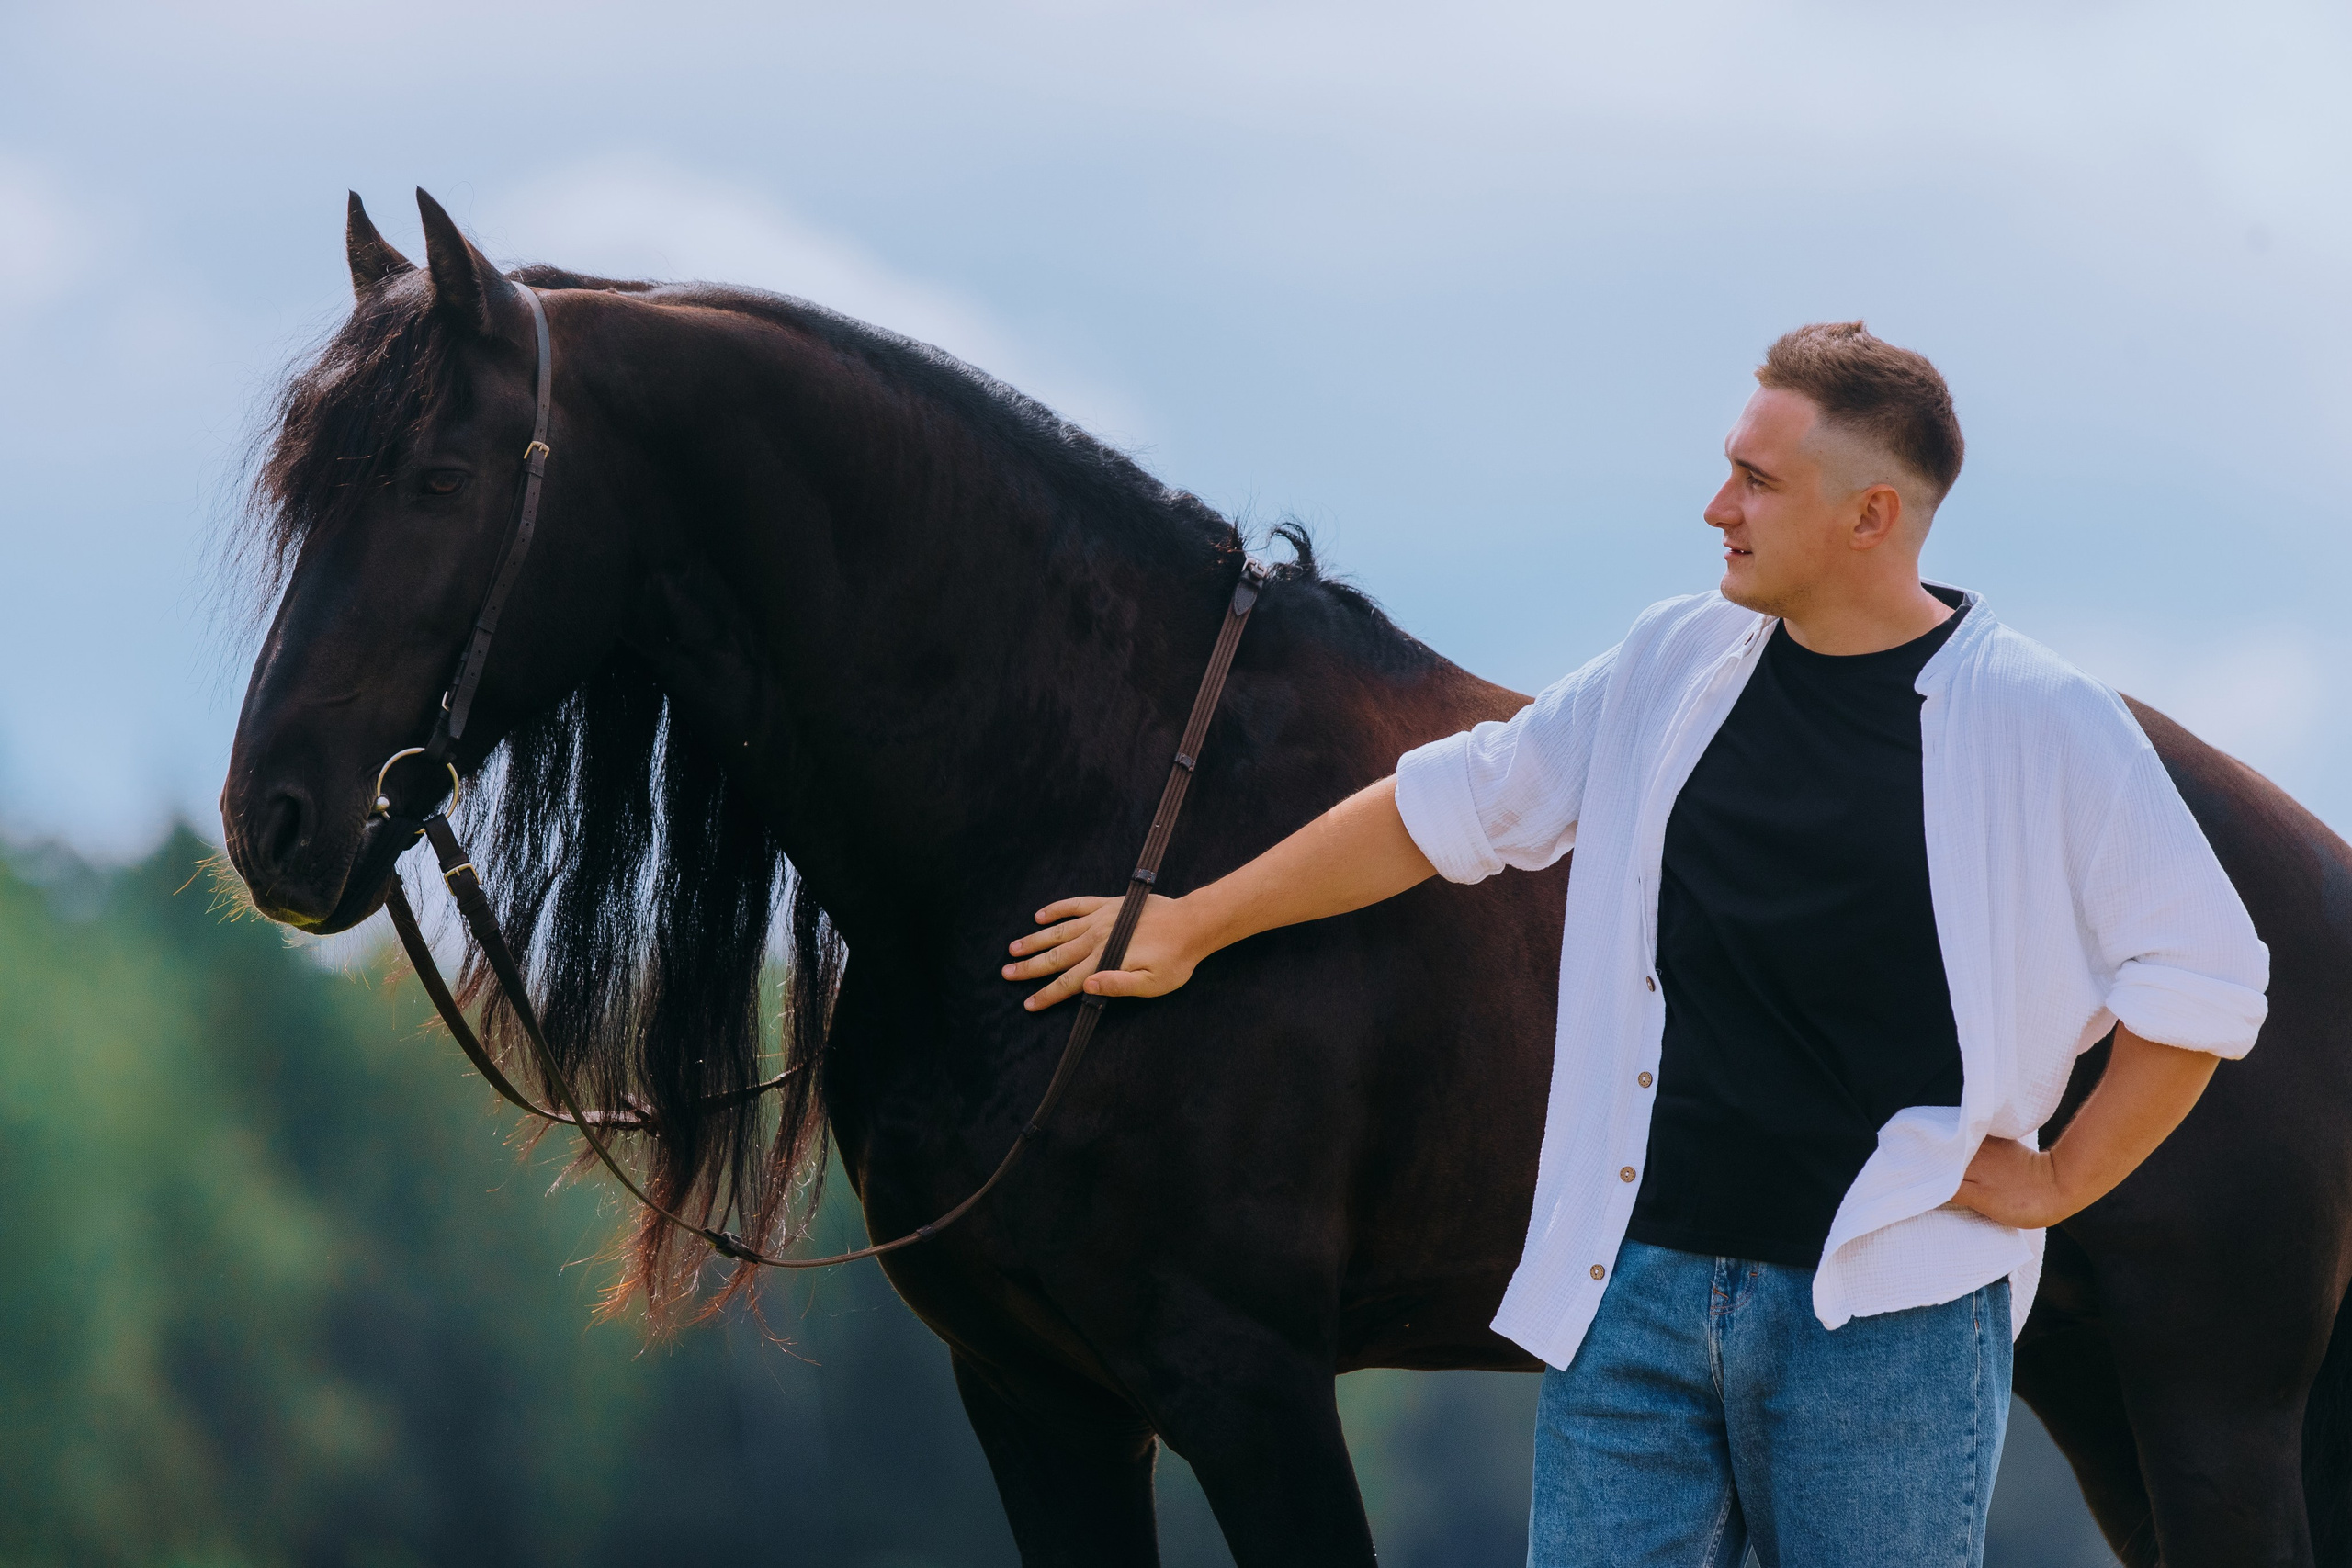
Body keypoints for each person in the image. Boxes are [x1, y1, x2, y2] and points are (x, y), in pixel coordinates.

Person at [1000, 321, 2269, 1566]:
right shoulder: (1677, 660)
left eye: (1758, 481)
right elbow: (1448, 805)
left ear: (1871, 516)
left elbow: (2207, 981)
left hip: (1888, 1326)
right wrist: (1189, 923)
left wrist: (2058, 1183)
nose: (1719, 505)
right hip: (1633, 1305)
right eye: (1729, 466)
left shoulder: (2042, 721)